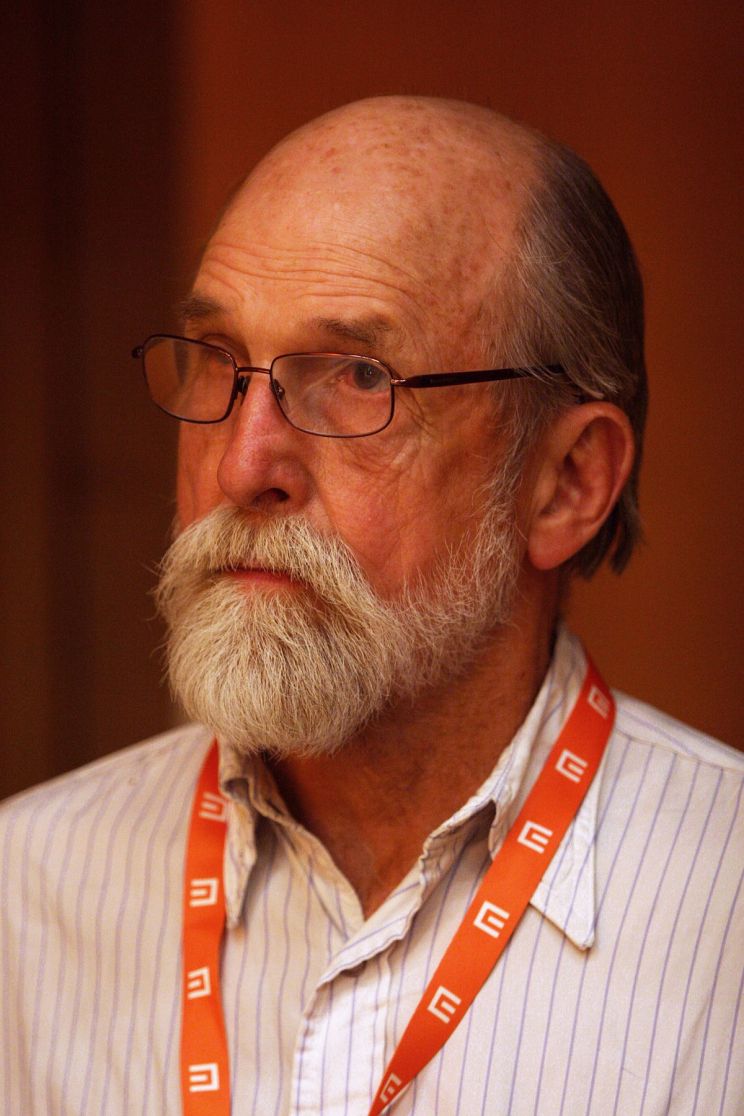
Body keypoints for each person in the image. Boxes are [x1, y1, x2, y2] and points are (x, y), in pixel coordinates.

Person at [1, 96, 741, 1116]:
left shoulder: (724, 916)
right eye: (217, 359)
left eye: (357, 377)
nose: (242, 465)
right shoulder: (25, 892)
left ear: (566, 483)